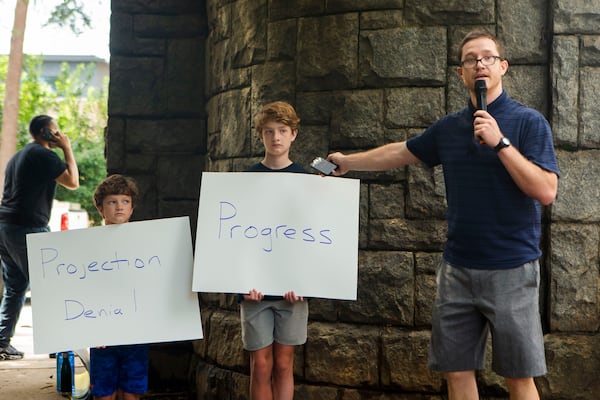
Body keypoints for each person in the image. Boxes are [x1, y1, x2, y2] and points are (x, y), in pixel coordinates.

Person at [327, 30, 559, 400]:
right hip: (457, 270)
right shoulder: (449, 127)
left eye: (487, 57)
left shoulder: (529, 123)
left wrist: (500, 143)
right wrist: (348, 163)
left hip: (512, 269)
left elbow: (546, 191)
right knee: (456, 372)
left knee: (519, 376)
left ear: (502, 66)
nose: (479, 64)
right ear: (460, 74)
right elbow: (400, 152)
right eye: (470, 59)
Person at [240, 101, 308, 400]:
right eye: (269, 132)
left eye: (282, 131)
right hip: (254, 291)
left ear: (294, 134)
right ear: (260, 136)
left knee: (283, 364)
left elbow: (313, 238)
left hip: (293, 292)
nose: (276, 138)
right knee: (261, 364)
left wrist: (308, 283)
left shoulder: (308, 182)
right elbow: (234, 238)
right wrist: (239, 283)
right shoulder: (245, 181)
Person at [0, 115, 79, 360]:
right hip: (27, 229)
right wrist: (67, 148)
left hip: (6, 227)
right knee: (48, 285)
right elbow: (73, 182)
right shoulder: (44, 155)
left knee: (15, 286)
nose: (59, 135)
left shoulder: (20, 155)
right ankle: (57, 344)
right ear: (46, 132)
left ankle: (2, 342)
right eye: (56, 132)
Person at [89, 174, 148, 400]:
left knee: (132, 393)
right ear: (101, 209)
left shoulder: (147, 244)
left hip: (136, 333)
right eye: (112, 202)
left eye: (125, 201)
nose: (119, 207)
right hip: (102, 335)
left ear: (132, 208)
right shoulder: (86, 245)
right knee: (104, 394)